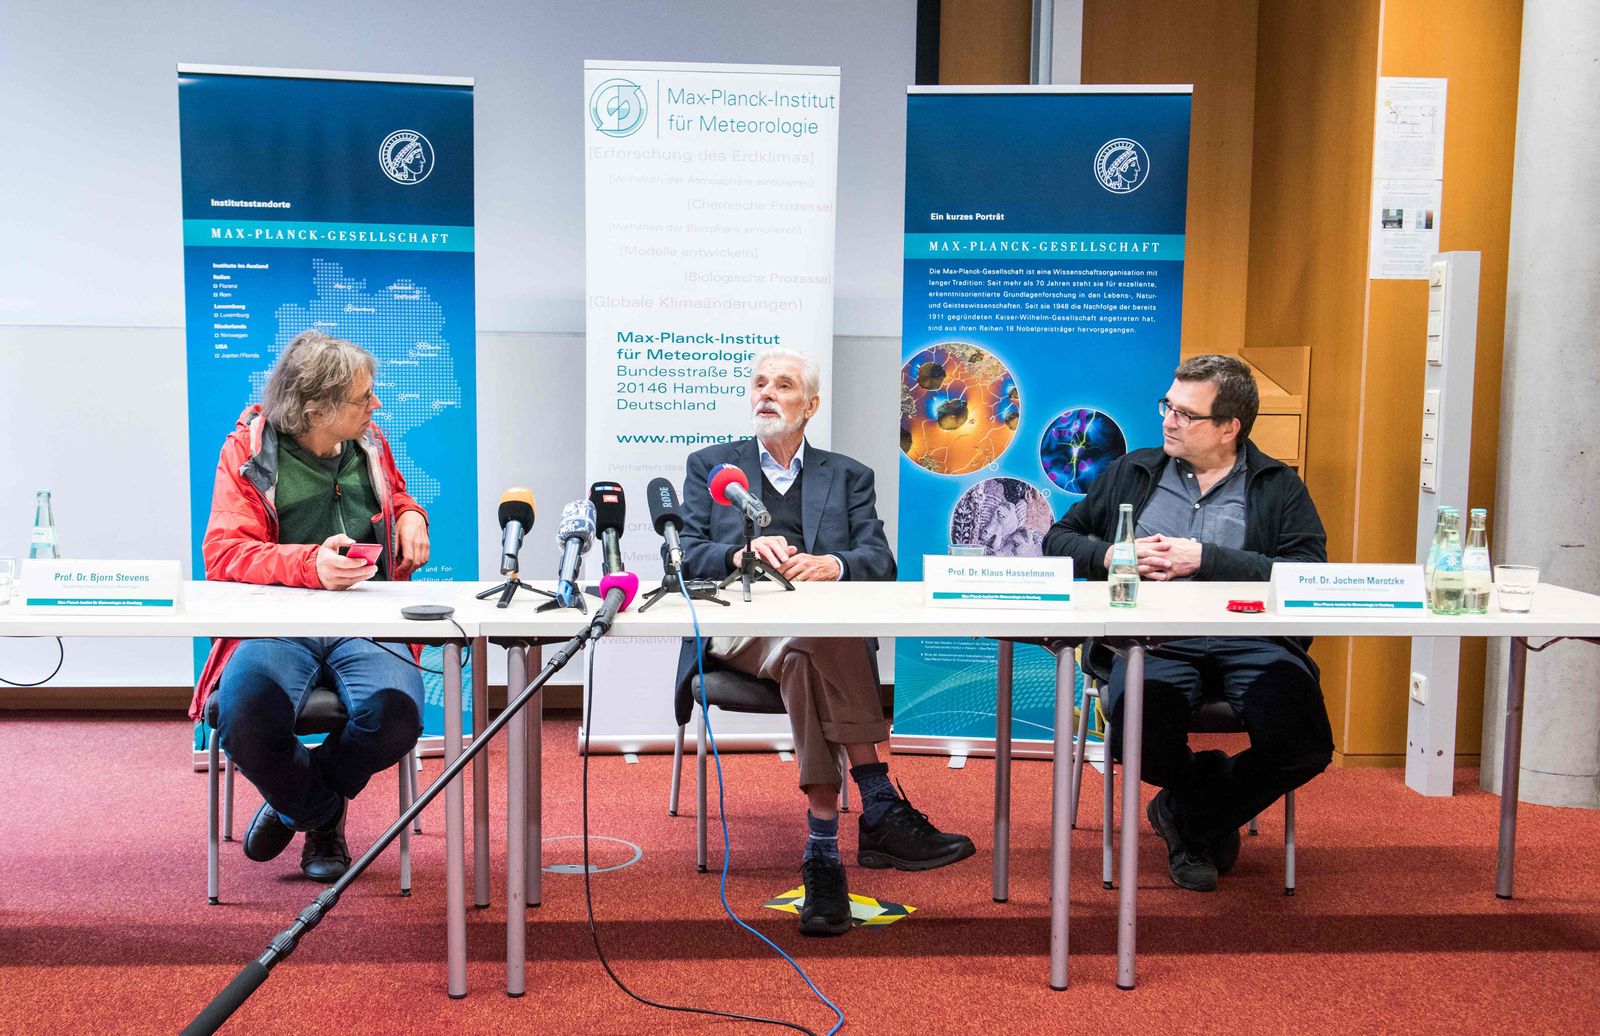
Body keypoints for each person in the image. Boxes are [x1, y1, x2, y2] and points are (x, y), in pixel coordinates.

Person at [677, 347, 975, 936]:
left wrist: (835, 565)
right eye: (758, 383)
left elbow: (878, 560)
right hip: (741, 627)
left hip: (811, 640)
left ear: (809, 406)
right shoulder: (713, 468)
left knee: (810, 645)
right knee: (821, 639)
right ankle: (878, 801)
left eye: (782, 385)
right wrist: (740, 553)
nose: (765, 394)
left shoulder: (847, 474)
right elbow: (686, 557)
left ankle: (823, 848)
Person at [1043, 354, 1334, 892]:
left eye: (1185, 414)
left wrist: (1206, 560)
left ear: (1230, 427)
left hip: (1251, 640)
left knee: (1304, 742)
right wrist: (1112, 556)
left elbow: (1307, 573)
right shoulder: (1133, 472)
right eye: (1168, 407)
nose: (1168, 421)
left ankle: (1189, 818)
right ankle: (1203, 811)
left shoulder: (1277, 486)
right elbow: (1058, 541)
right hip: (1152, 643)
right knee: (1140, 736)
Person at [190, 329, 431, 882]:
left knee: (396, 715)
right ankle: (321, 813)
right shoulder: (248, 453)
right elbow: (224, 552)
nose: (377, 405)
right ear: (315, 407)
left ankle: (291, 802)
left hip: (367, 618)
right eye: (363, 397)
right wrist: (309, 567)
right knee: (241, 712)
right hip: (278, 619)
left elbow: (394, 495)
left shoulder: (370, 443)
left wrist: (413, 514)